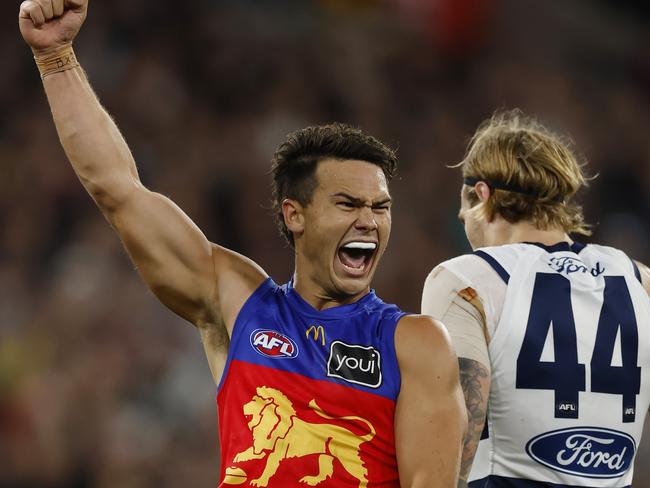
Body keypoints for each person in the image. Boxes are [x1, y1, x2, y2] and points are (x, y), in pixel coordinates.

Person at [19, 1, 466, 486]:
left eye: (380, 208)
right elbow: (119, 189)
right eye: (347, 204)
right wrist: (56, 57)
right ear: (294, 214)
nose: (369, 221)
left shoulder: (414, 345)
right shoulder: (240, 304)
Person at [421, 109, 650, 487]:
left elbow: (458, 431)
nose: (462, 219)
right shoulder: (638, 280)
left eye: (463, 205)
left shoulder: (465, 278)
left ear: (482, 194)